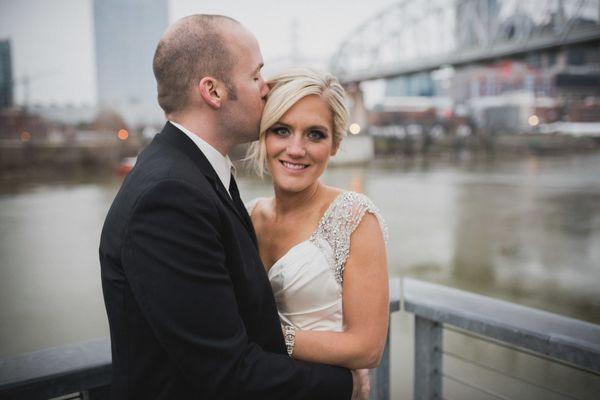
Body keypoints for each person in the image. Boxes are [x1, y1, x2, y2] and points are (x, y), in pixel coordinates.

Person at [99, 15, 368, 400]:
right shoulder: (169, 196)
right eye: (256, 75)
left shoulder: (193, 173)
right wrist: (345, 384)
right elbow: (225, 372)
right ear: (213, 91)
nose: (267, 87)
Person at [245, 67, 389, 370]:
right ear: (264, 135)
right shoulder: (245, 215)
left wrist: (265, 338)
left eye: (315, 134)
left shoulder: (355, 218)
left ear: (334, 144)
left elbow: (368, 348)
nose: (296, 149)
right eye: (281, 130)